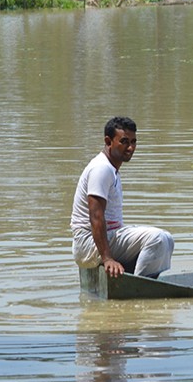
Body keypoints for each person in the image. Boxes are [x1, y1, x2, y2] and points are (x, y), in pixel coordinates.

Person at [71, 116, 174, 278]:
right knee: (158, 239)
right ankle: (140, 288)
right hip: (89, 244)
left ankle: (138, 281)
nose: (130, 147)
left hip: (104, 238)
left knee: (167, 239)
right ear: (108, 141)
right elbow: (96, 216)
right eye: (124, 142)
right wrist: (107, 258)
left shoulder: (110, 168)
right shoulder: (101, 169)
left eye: (133, 142)